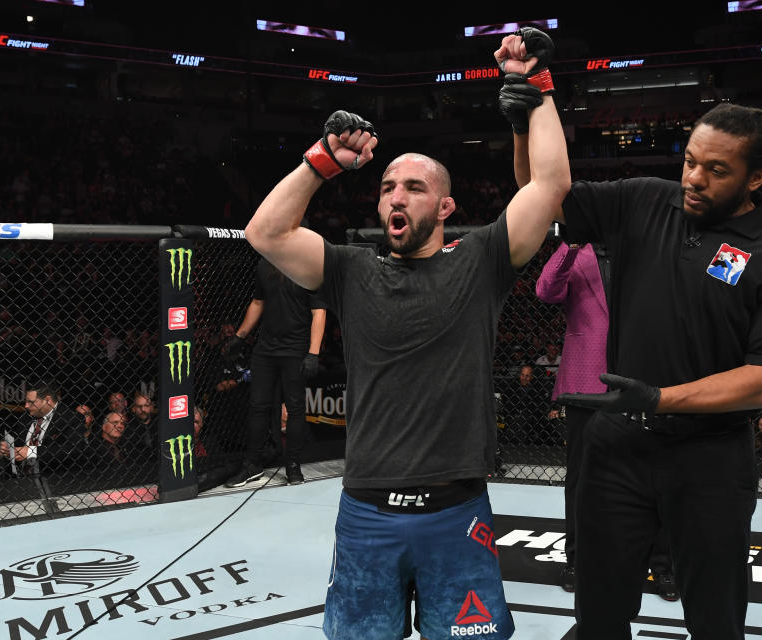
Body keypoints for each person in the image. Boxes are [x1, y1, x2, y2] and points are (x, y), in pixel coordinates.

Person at [244, 27, 569, 640]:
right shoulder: (349, 269)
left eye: (414, 187)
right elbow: (266, 233)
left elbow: (548, 188)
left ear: (444, 208)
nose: (397, 195)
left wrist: (535, 84)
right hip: (368, 509)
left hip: (456, 508)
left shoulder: (481, 261)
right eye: (389, 185)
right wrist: (321, 162)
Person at [541, 102, 762, 639]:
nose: (694, 178)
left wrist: (659, 398)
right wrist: (532, 105)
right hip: (616, 450)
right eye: (690, 161)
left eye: (717, 170)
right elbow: (548, 193)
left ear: (755, 178)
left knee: (715, 620)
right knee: (597, 615)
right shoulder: (646, 199)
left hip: (709, 458)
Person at [534, 239, 609, 593]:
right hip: (585, 379)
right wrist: (571, 245)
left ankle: (658, 562)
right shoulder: (580, 253)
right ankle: (577, 560)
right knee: (581, 478)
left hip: (639, 375)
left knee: (648, 474)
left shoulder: (640, 245)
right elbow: (545, 289)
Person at [223, 257, 326, 487]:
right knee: (258, 406)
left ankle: (293, 465)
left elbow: (319, 312)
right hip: (266, 347)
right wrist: (240, 335)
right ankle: (252, 465)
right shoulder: (264, 264)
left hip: (295, 347)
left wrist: (313, 353)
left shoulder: (309, 266)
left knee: (295, 407)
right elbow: (258, 302)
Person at [0, 382, 87, 477]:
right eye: (26, 401)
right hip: (22, 479)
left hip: (55, 479)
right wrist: (8, 448)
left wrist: (31, 452)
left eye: (31, 402)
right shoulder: (26, 417)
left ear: (47, 400)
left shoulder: (71, 418)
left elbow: (73, 449)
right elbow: (18, 443)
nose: (26, 406)